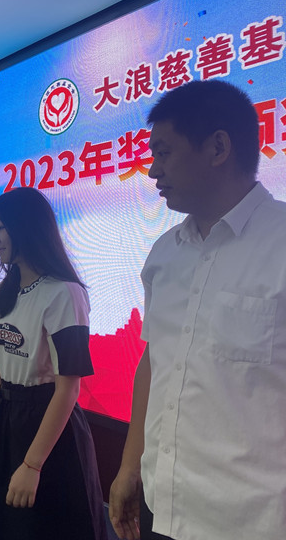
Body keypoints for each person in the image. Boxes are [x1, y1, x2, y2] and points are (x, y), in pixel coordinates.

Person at [108, 80, 286, 540]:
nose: (152, 170)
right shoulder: (164, 254)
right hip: (163, 505)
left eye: (164, 153)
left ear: (218, 148)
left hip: (253, 521)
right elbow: (154, 362)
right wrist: (130, 466)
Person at [0, 188, 106, 540]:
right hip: (7, 421)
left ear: (26, 227)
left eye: (1, 227)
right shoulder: (5, 291)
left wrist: (32, 464)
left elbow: (68, 388)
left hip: (48, 429)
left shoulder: (64, 292)